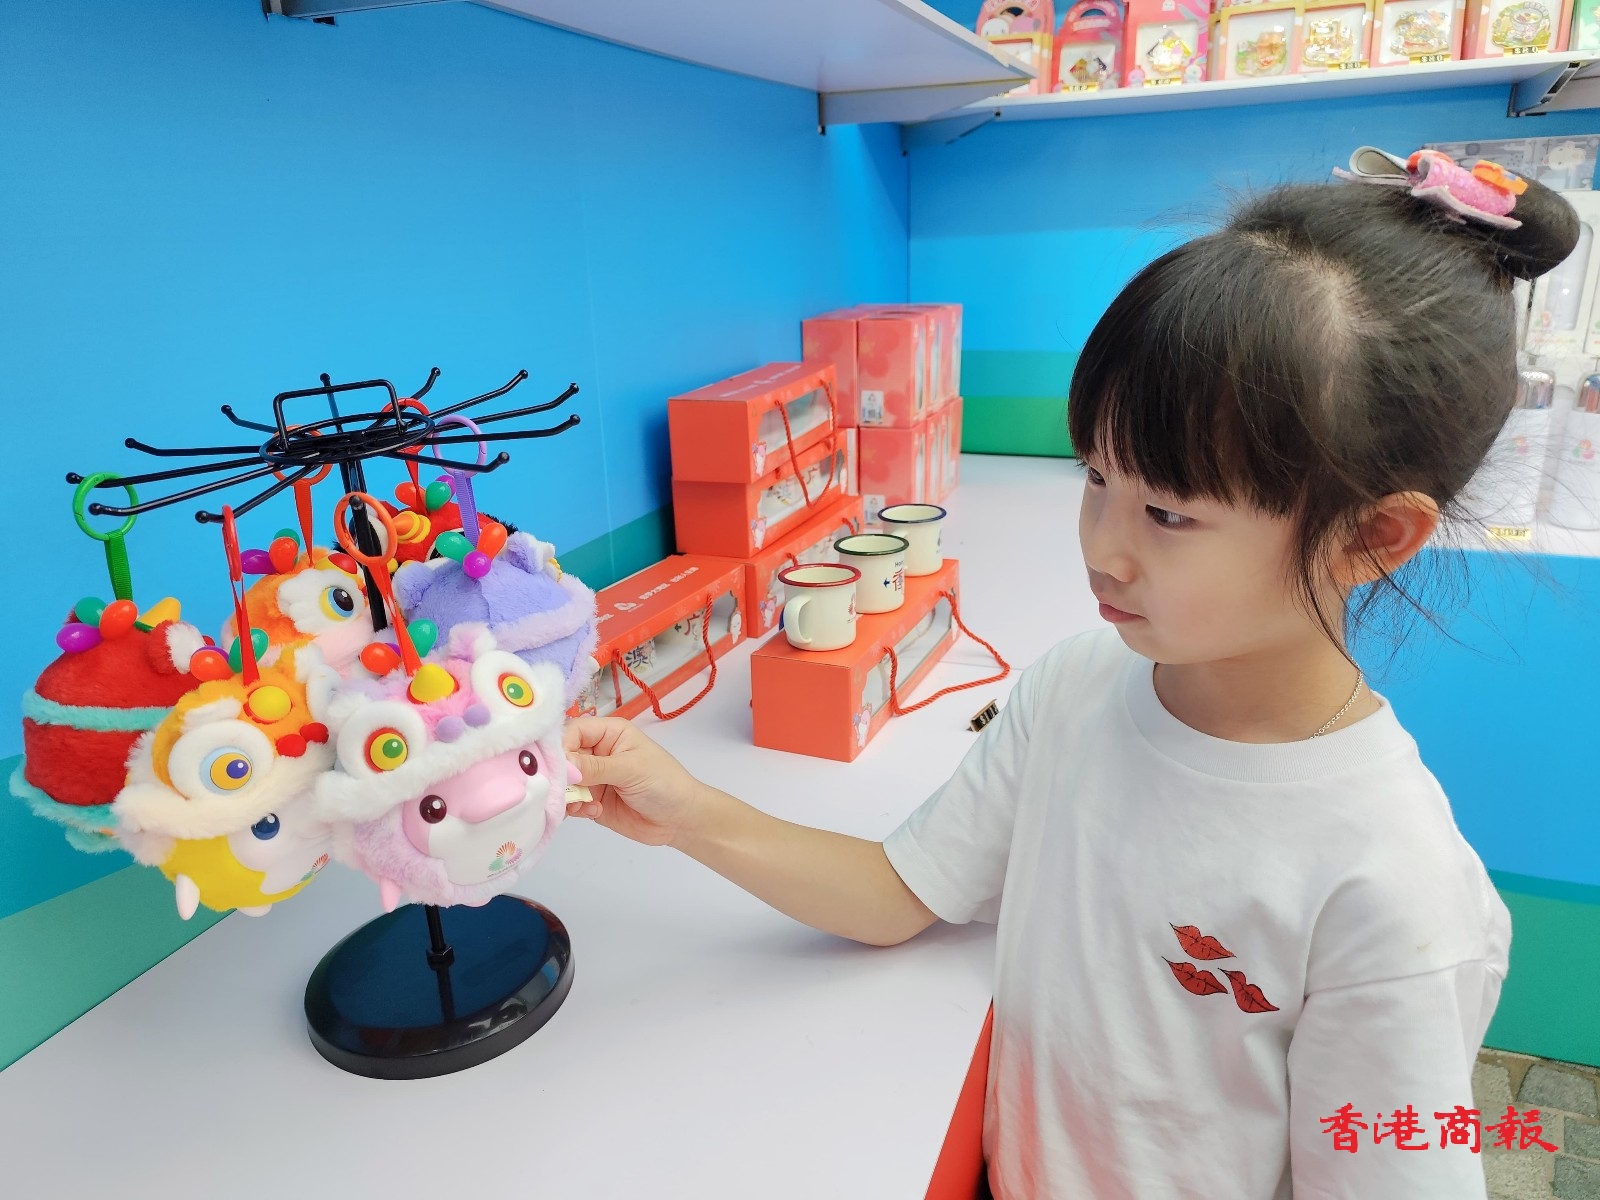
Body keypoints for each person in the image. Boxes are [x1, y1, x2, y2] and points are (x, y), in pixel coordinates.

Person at [561, 149, 1580, 1199]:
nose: (1101, 548)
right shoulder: (1077, 685)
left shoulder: (1396, 891)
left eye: (1168, 513)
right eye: (1096, 475)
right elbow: (899, 892)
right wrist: (688, 812)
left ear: (1371, 537)